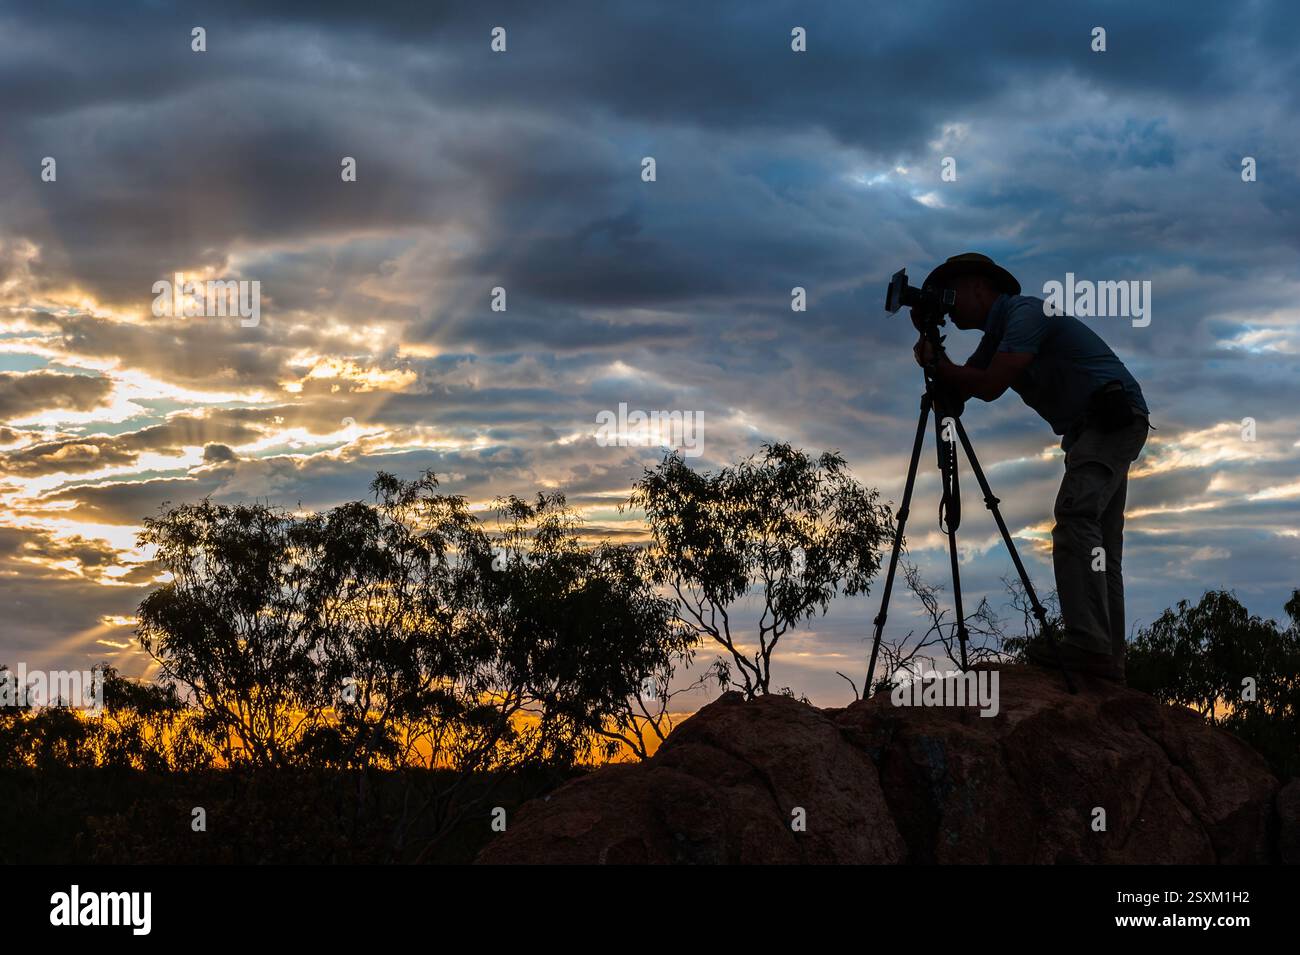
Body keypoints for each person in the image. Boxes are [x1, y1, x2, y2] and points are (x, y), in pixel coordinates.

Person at [911, 252, 1150, 683]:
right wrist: (935, 356)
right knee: (1102, 548)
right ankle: (1108, 665)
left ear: (980, 287)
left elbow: (988, 383)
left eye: (951, 294)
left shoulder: (1025, 313)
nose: (948, 305)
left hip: (1111, 418)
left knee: (1076, 517)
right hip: (1092, 430)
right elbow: (965, 391)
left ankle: (1089, 644)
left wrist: (941, 365)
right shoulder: (998, 333)